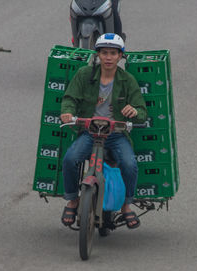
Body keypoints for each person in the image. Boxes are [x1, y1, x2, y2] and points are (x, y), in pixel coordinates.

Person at [60, 33, 147, 229]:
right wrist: (67, 112)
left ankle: (126, 205)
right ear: (98, 55)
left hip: (116, 134)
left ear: (120, 56)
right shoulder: (84, 74)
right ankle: (73, 200)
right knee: (70, 159)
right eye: (104, 53)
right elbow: (69, 99)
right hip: (89, 132)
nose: (108, 57)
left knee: (129, 164)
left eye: (113, 53)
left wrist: (134, 111)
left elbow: (142, 112)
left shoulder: (127, 80)